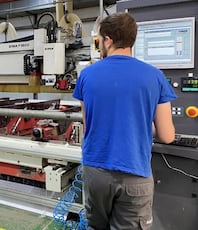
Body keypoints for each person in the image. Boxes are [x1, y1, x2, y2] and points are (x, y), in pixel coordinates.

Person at [72, 12, 177, 230]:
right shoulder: (154, 76)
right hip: (134, 173)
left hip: (96, 172)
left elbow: (88, 122)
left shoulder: (87, 75)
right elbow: (167, 136)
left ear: (108, 39)